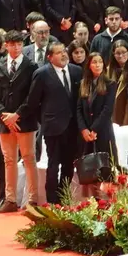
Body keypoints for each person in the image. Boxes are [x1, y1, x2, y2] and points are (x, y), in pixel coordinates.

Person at [0, 29, 39, 212]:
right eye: (12, 44)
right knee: (8, 160)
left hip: (24, 120)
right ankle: (10, 200)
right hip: (4, 121)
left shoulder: (32, 66)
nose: (16, 48)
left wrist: (17, 115)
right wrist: (5, 115)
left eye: (19, 44)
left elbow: (33, 96)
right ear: (6, 46)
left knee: (29, 158)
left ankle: (33, 200)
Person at [29, 42, 80, 205]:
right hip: (53, 127)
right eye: (58, 53)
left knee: (68, 165)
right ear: (50, 57)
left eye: (64, 51)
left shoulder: (76, 71)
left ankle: (64, 197)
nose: (64, 54)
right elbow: (33, 103)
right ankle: (52, 200)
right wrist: (44, 120)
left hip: (73, 127)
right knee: (53, 164)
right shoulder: (42, 74)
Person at [77, 51, 117, 198]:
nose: (97, 64)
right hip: (87, 134)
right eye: (94, 62)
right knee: (91, 170)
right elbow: (79, 109)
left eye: (100, 61)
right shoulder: (83, 84)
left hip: (103, 132)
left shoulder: (110, 84)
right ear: (89, 65)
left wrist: (94, 129)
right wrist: (83, 129)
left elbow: (107, 110)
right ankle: (95, 201)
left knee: (105, 168)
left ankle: (107, 202)